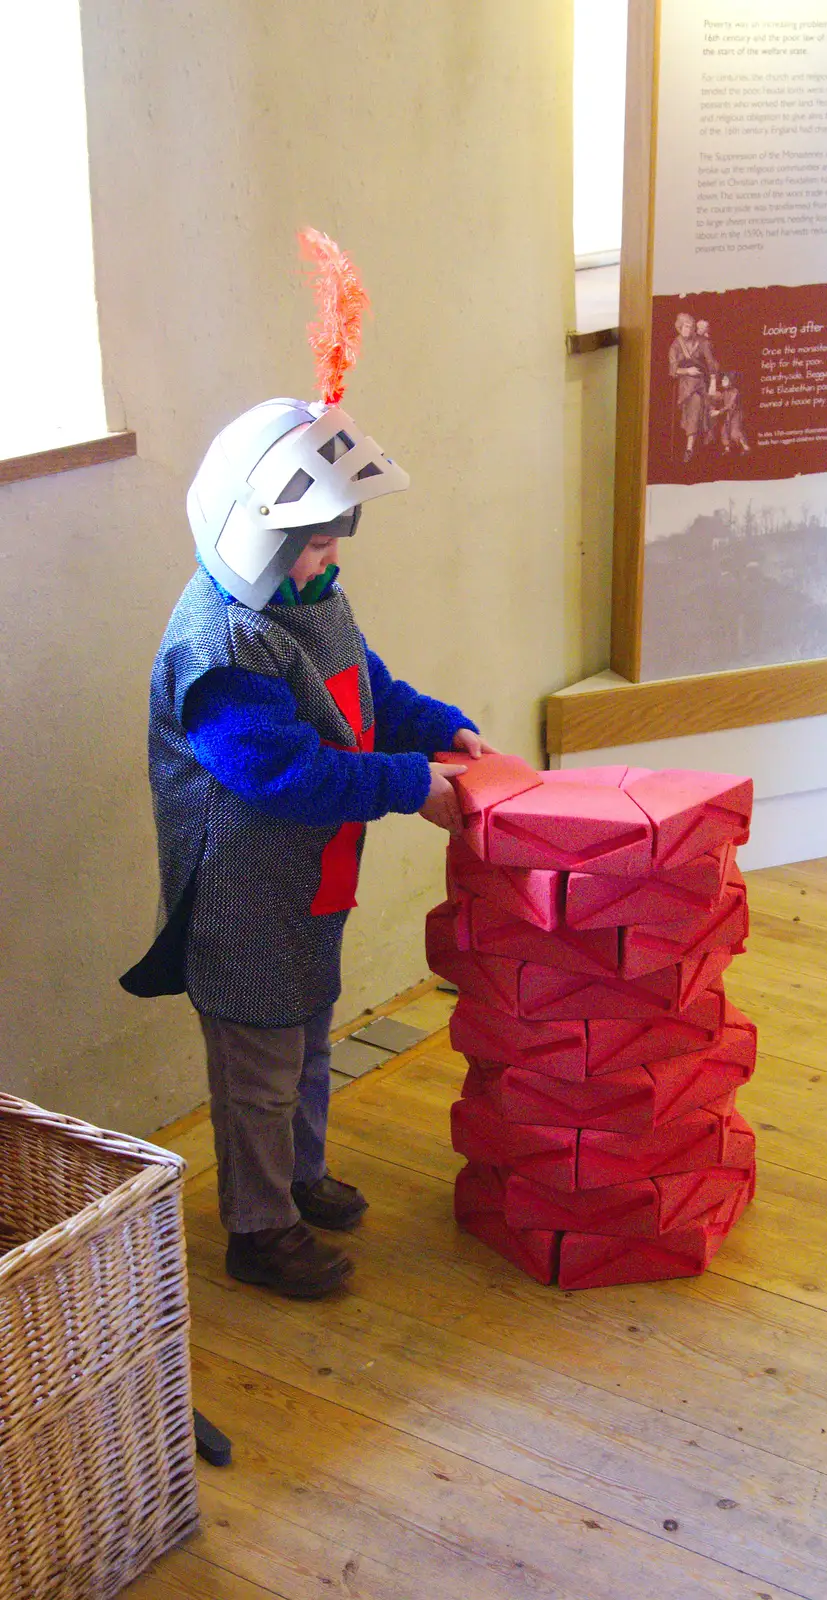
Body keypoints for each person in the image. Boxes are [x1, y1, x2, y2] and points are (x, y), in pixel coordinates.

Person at [121, 232, 491, 1299]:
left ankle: (302, 1172)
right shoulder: (220, 642)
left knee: (308, 1045)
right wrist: (406, 786)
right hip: (243, 901)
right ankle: (257, 1225)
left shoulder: (308, 601)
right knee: (258, 1071)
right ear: (257, 535)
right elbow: (276, 773)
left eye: (336, 541)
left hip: (308, 888)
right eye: (317, 543)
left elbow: (366, 693)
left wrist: (438, 732)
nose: (332, 561)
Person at [668, 312, 719, 461]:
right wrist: (687, 371)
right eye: (685, 327)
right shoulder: (676, 345)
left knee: (705, 405)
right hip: (685, 386)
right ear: (680, 327)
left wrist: (714, 381)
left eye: (690, 327)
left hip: (701, 384)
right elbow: (672, 369)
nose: (688, 330)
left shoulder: (701, 342)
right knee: (694, 407)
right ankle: (689, 447)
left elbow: (711, 362)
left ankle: (694, 446)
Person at [710, 372, 750, 454]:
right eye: (723, 379)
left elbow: (730, 405)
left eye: (725, 380)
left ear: (731, 381)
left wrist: (718, 412)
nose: (722, 381)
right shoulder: (725, 392)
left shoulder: (735, 392)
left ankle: (746, 448)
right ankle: (727, 449)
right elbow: (718, 399)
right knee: (724, 432)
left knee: (734, 432)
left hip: (736, 415)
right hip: (728, 416)